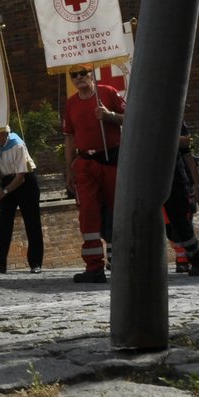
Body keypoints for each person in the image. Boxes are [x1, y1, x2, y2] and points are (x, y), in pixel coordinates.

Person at [61, 66, 124, 283]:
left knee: (116, 210)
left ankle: (118, 260)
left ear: (91, 73)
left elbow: (131, 118)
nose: (78, 77)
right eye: (73, 74)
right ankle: (94, 266)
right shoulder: (71, 103)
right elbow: (69, 137)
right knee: (87, 212)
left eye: (83, 73)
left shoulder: (107, 93)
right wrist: (69, 169)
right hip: (85, 164)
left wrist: (110, 116)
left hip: (110, 159)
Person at [0, 123, 43, 274]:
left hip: (25, 182)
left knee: (32, 223)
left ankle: (35, 262)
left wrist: (2, 193)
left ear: (5, 135)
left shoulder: (17, 145)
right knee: (4, 223)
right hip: (7, 180)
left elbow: (21, 177)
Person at [162, 125, 199, 277]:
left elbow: (187, 149)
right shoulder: (136, 116)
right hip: (147, 175)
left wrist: (197, 185)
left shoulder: (172, 116)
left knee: (180, 222)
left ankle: (196, 256)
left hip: (174, 176)